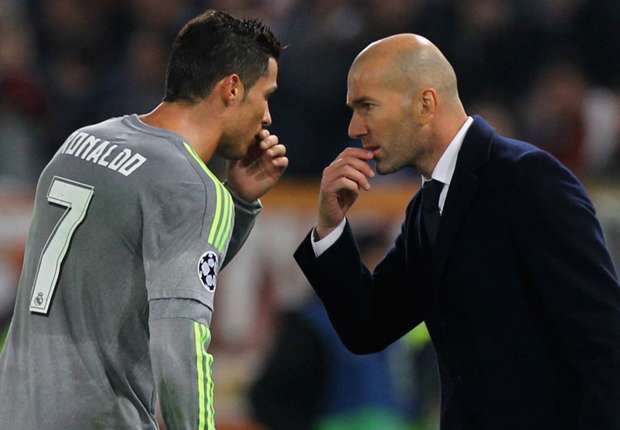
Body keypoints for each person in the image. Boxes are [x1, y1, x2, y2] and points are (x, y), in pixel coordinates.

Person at [294, 33, 620, 430]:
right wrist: (330, 227)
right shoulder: (427, 207)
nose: (354, 127)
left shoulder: (527, 179)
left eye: (367, 106)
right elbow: (369, 326)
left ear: (425, 104)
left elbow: (603, 343)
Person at [0, 10, 286, 430]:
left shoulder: (82, 142)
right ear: (232, 88)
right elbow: (181, 342)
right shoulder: (189, 185)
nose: (267, 117)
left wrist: (239, 204)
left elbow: (168, 275)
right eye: (266, 96)